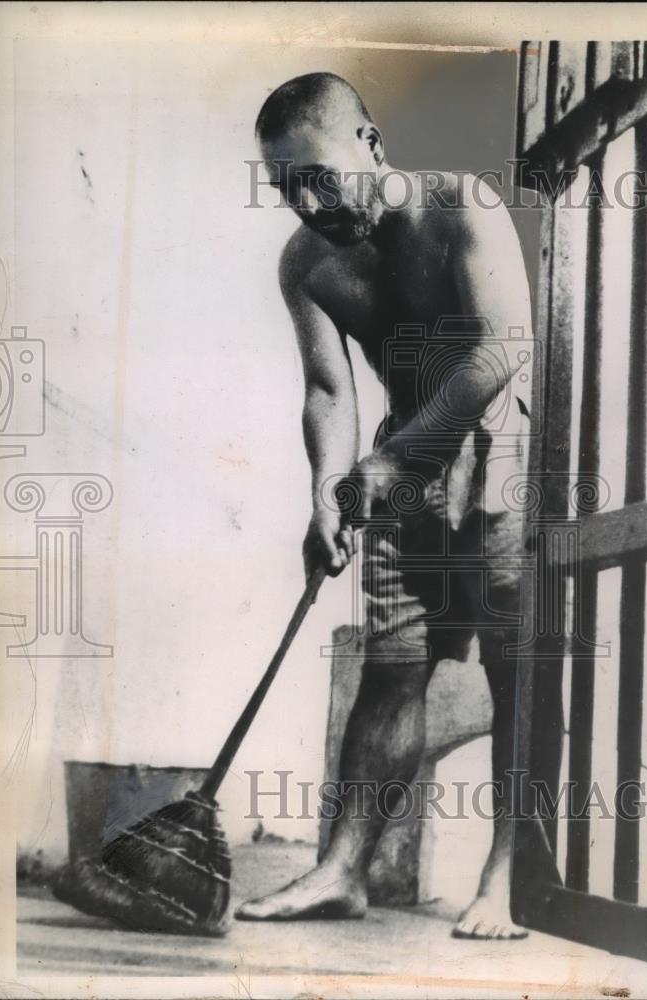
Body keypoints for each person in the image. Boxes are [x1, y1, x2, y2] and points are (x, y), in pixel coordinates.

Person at [237, 72, 533, 940]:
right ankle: (341, 869)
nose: (309, 204)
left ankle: (504, 878)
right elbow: (330, 392)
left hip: (500, 444)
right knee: (392, 667)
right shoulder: (307, 263)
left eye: (319, 176)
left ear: (370, 145)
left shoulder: (459, 206)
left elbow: (498, 353)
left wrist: (392, 462)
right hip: (400, 464)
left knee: (518, 664)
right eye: (288, 188)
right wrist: (327, 496)